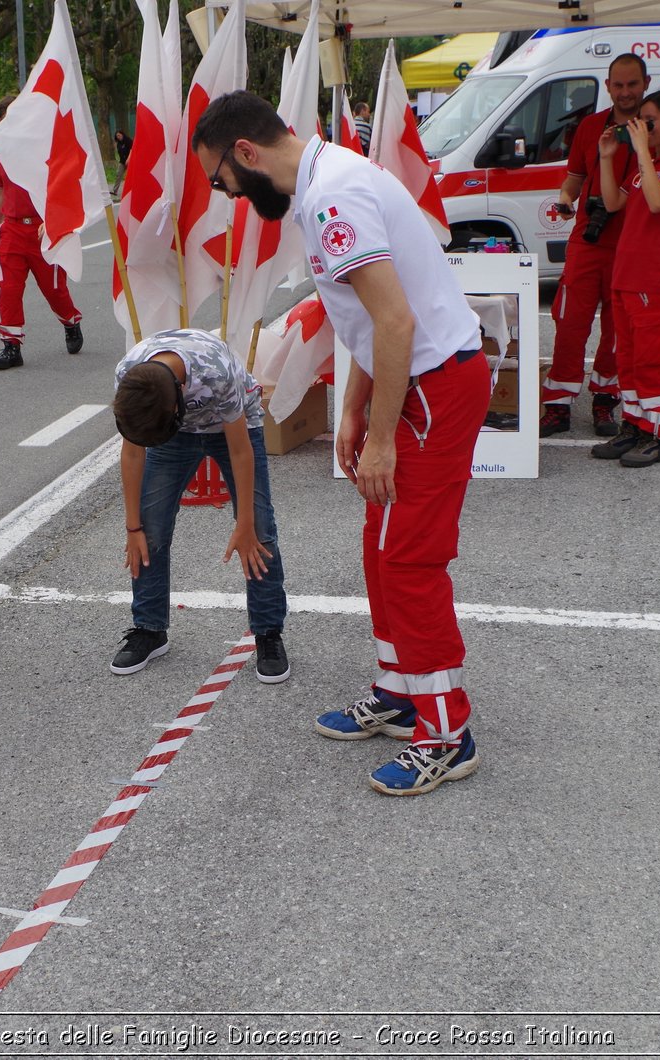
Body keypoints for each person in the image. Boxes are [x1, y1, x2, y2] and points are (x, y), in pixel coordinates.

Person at [193, 90, 488, 797]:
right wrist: (354, 411)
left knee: (410, 558)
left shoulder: (333, 200)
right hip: (407, 386)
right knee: (380, 544)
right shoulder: (324, 183)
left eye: (220, 181)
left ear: (245, 153)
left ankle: (448, 732)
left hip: (432, 390)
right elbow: (362, 320)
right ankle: (400, 689)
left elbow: (395, 324)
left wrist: (381, 434)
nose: (226, 195)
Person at [110, 327, 289, 683]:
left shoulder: (215, 372)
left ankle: (268, 633)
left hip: (234, 429)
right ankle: (149, 628)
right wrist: (133, 528)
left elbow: (241, 450)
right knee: (151, 528)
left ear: (180, 400)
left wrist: (245, 524)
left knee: (261, 532)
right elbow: (132, 452)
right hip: (173, 435)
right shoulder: (129, 375)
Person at [540, 53, 651, 438]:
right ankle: (557, 403)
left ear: (645, 84)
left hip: (632, 245)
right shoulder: (589, 126)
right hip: (587, 241)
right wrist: (566, 200)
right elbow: (573, 179)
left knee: (618, 331)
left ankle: (606, 399)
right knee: (569, 322)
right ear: (607, 86)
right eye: (618, 85)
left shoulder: (656, 129)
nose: (625, 92)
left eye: (632, 84)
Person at [590, 87, 660, 468]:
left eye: (650, 121)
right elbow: (613, 202)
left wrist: (640, 153)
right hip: (626, 275)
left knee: (651, 360)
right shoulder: (648, 160)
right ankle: (634, 425)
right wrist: (607, 159)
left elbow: (658, 202)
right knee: (629, 360)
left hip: (653, 278)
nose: (644, 128)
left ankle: (655, 434)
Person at [0, 94, 84, 370]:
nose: (4, 125)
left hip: (43, 232)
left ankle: (70, 322)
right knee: (9, 288)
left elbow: (62, 186)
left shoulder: (45, 149)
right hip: (13, 231)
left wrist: (52, 219)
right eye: (1, 120)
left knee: (54, 289)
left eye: (9, 119)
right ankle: (11, 346)